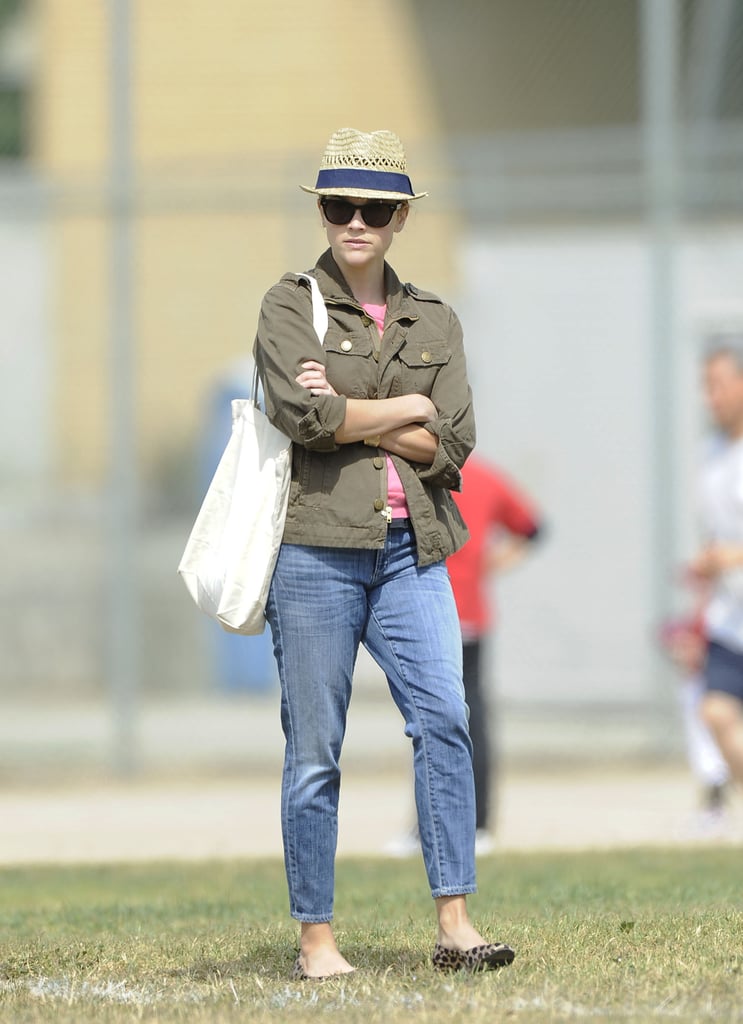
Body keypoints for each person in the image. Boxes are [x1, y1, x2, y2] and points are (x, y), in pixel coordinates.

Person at [252, 128, 515, 980]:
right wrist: (405, 404)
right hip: (315, 553)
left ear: (400, 216)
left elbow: (456, 443)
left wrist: (359, 413)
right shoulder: (289, 305)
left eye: (372, 208)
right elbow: (304, 417)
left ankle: (455, 924)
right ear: (322, 214)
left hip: (415, 554)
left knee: (444, 719)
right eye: (338, 206)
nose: (354, 222)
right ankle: (316, 941)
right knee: (315, 748)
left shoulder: (434, 317)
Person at [385, 455, 542, 856]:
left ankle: (461, 826)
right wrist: (492, 564)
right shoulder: (483, 475)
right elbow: (533, 529)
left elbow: (533, 528)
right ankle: (464, 825)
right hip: (448, 611)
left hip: (444, 613)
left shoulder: (417, 470)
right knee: (454, 717)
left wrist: (487, 565)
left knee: (444, 717)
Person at [690, 334, 743, 800]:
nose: (710, 396)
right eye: (705, 386)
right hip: (730, 619)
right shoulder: (711, 456)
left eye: (718, 384)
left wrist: (734, 554)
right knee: (715, 713)